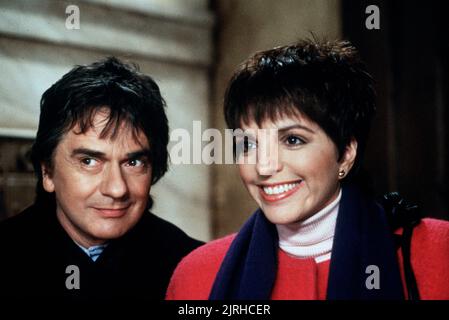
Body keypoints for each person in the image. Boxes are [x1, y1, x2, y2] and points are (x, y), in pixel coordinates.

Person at [166, 39, 449, 300]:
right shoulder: (197, 275)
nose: (264, 166)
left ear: (346, 153)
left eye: (292, 140)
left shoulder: (438, 252)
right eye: (248, 144)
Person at [0, 57, 203, 300]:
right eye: (89, 161)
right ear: (47, 172)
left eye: (133, 162)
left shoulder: (193, 266)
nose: (117, 189)